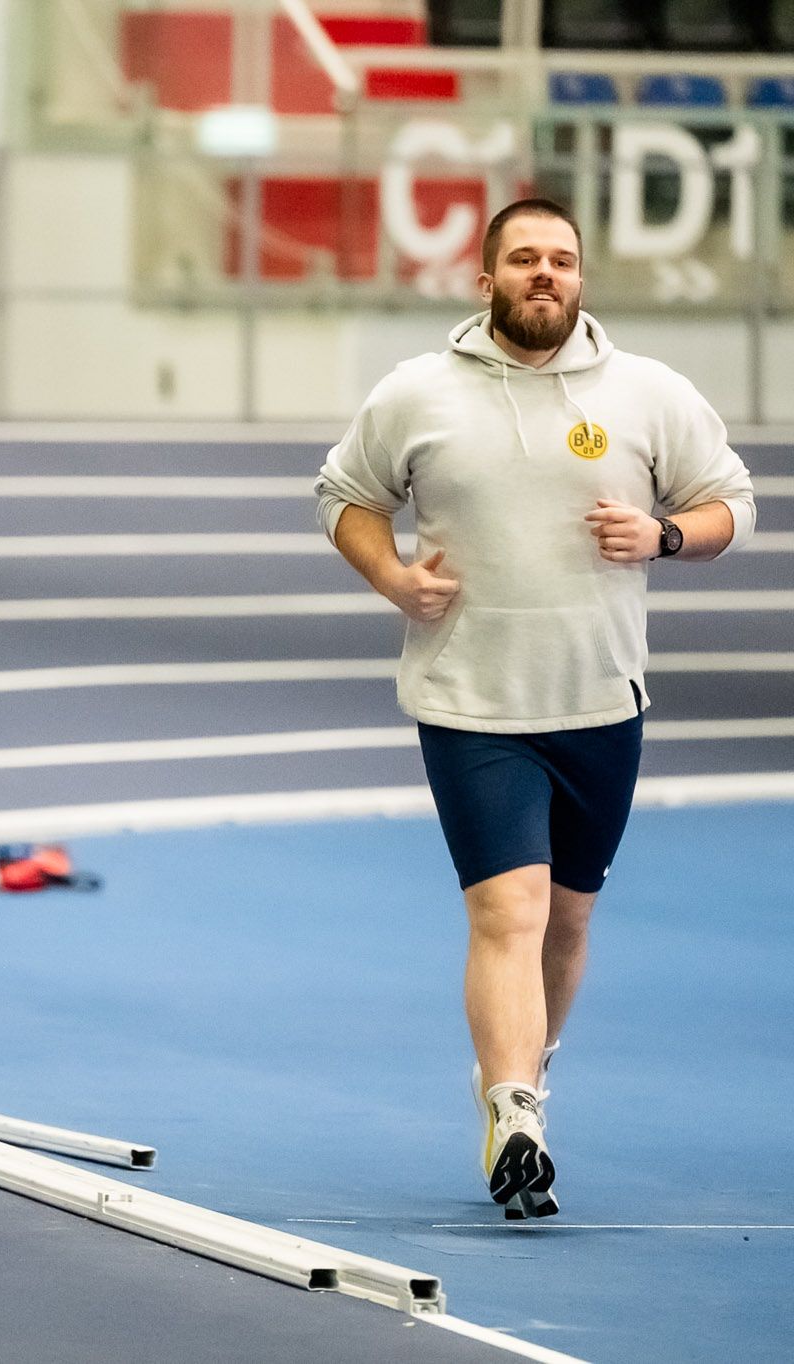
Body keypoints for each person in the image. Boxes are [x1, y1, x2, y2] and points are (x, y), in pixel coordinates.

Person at [315, 198, 756, 1219]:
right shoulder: (415, 391)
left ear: (579, 278)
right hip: (470, 698)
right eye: (522, 258)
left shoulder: (647, 392)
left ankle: (523, 1073)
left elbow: (731, 499)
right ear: (484, 278)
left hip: (599, 697)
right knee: (504, 909)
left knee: (564, 919)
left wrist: (662, 536)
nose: (542, 273)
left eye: (560, 259)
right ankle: (514, 1109)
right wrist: (391, 577)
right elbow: (341, 493)